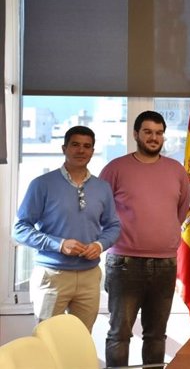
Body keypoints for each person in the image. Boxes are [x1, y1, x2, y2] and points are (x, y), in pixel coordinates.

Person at [100, 111, 190, 368]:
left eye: (159, 132)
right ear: (136, 134)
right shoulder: (115, 168)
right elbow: (101, 210)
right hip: (124, 263)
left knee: (156, 335)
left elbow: (180, 212)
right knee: (119, 333)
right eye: (148, 132)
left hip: (164, 264)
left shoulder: (176, 170)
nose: (154, 137)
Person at [13, 126, 121, 332]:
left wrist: (99, 245)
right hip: (52, 276)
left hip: (90, 277)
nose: (81, 150)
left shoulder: (102, 188)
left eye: (87, 146)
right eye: (75, 145)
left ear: (92, 151)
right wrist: (59, 245)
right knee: (47, 342)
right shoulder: (41, 184)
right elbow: (19, 229)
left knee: (80, 341)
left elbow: (113, 226)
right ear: (64, 148)